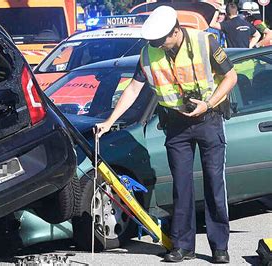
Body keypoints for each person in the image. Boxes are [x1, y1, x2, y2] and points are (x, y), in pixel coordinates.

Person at [95, 6, 237, 263]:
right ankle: (183, 246)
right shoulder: (149, 53)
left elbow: (231, 76)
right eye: (153, 41)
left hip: (209, 119)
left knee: (214, 184)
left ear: (176, 31)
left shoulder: (205, 41)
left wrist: (209, 103)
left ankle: (219, 247)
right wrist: (109, 121)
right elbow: (133, 90)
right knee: (181, 187)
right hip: (175, 125)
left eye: (161, 40)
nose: (157, 45)